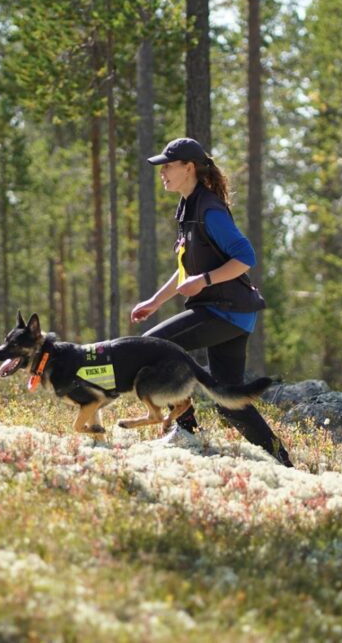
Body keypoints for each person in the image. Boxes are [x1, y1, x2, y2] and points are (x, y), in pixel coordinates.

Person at [131, 137, 293, 467]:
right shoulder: (188, 208)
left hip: (226, 312)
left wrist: (204, 281)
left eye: (168, 166)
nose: (162, 172)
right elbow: (185, 271)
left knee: (151, 347)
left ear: (189, 168)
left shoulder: (210, 211)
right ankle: (284, 462)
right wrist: (155, 301)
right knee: (227, 400)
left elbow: (246, 257)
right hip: (229, 313)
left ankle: (185, 431)